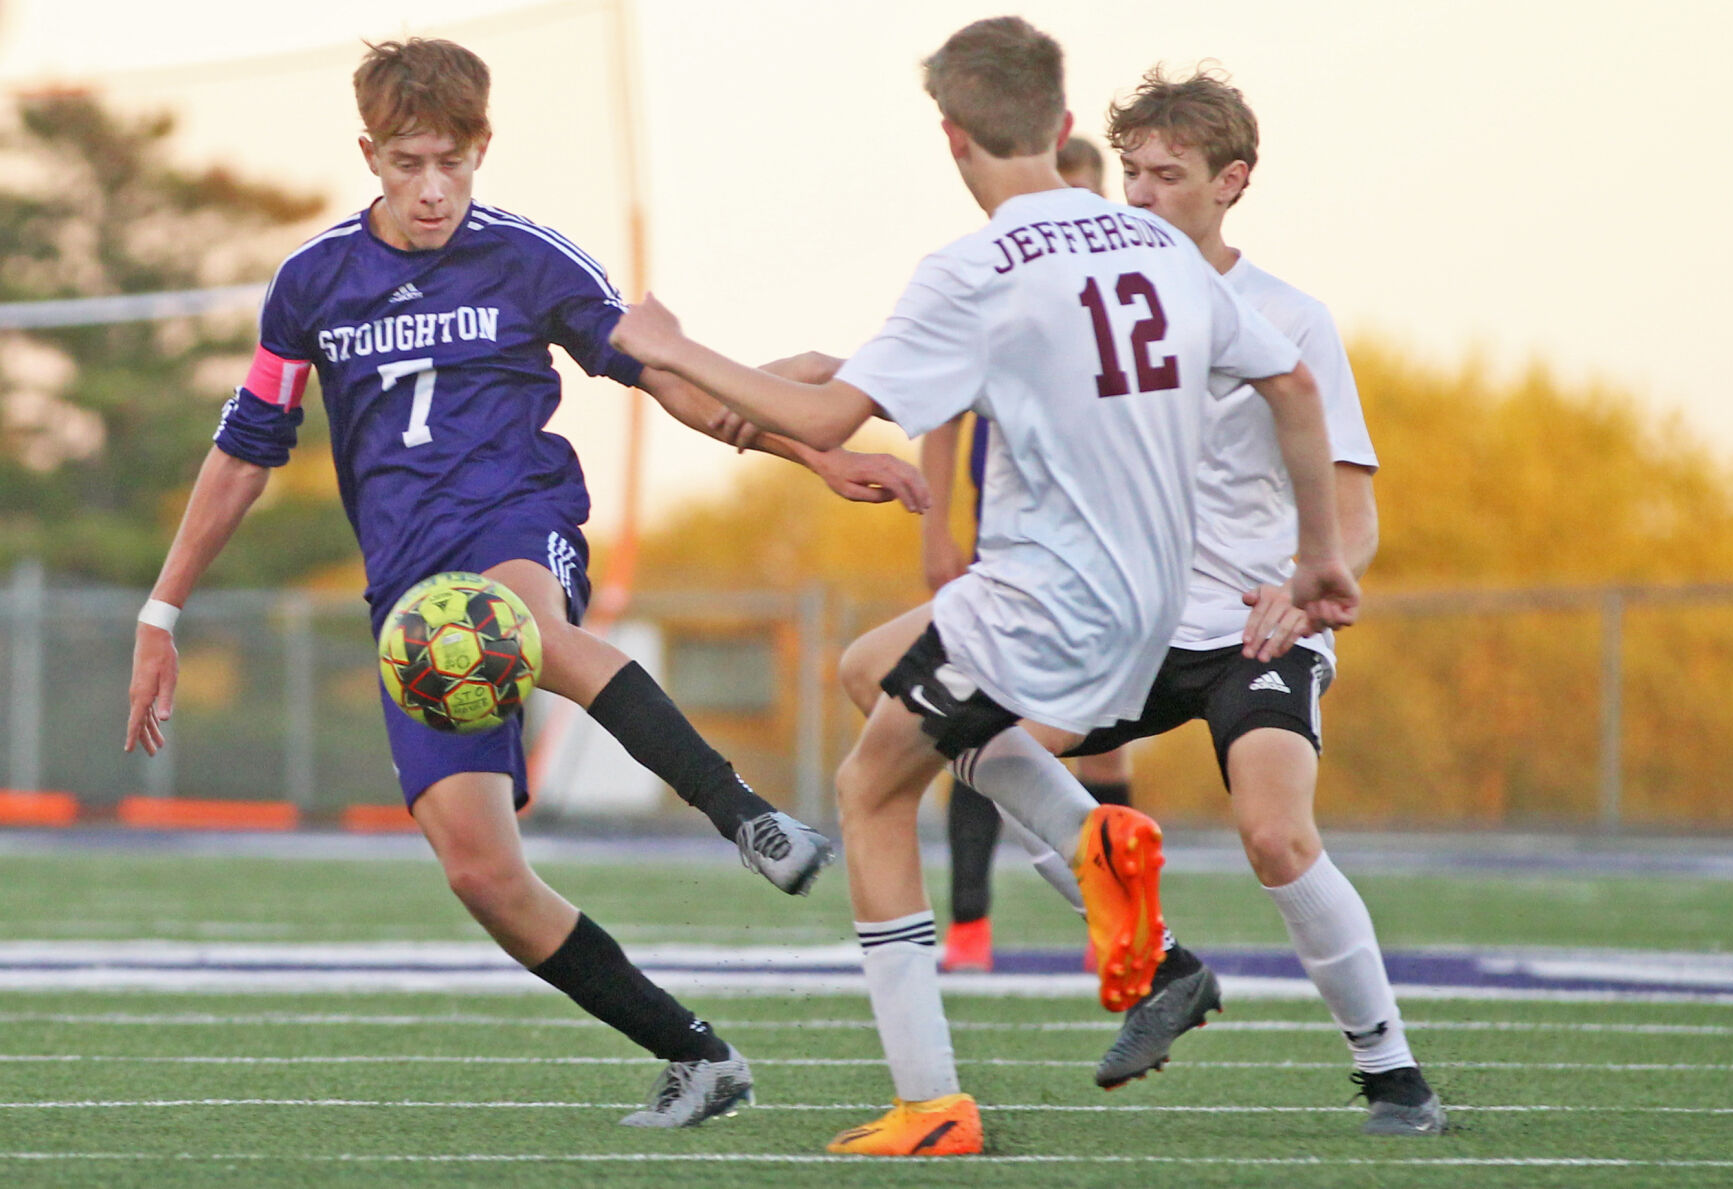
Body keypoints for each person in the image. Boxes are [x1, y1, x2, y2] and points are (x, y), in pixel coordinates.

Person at [122, 38, 927, 1130]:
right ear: (370, 153)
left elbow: (676, 385)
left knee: (523, 625)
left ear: (482, 148)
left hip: (519, 521)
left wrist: (811, 453)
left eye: (452, 161)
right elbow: (247, 450)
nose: (433, 187)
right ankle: (698, 1055)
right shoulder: (310, 284)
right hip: (409, 605)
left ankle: (746, 817)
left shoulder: (529, 260)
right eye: (408, 163)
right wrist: (162, 609)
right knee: (480, 872)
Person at [607, 17, 1358, 1156]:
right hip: (1153, 603)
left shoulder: (975, 266)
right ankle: (1101, 856)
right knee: (870, 672)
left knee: (867, 795)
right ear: (1062, 128)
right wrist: (1318, 558)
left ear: (952, 139)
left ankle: (933, 1103)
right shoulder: (1150, 244)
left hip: (1045, 598)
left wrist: (663, 343)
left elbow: (821, 418)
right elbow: (1293, 384)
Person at [1062, 65, 1446, 1135]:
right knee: (957, 737)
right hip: (1132, 623)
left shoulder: (1289, 318)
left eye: (1166, 174)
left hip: (1253, 629)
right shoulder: (1099, 305)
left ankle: (1392, 1075)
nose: (1137, 195)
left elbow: (1354, 513)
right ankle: (1161, 966)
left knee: (1275, 837)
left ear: (1232, 181)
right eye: (1129, 173)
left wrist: (1304, 585)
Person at [923, 135, 1134, 974]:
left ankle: (1116, 917)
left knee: (1097, 741)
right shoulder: (995, 282)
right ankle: (971, 927)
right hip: (1006, 554)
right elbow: (937, 405)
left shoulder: (1125, 288)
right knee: (952, 724)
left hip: (1099, 557)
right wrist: (935, 527)